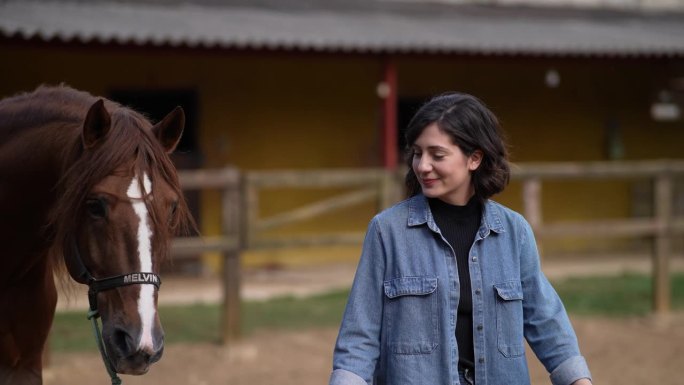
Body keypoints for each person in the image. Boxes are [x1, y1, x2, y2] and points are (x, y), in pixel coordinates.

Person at [329, 92, 592, 385]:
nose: (422, 165)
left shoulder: (514, 232)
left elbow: (546, 320)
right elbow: (359, 338)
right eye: (417, 153)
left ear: (474, 158)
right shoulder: (386, 231)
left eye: (437, 155)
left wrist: (577, 379)